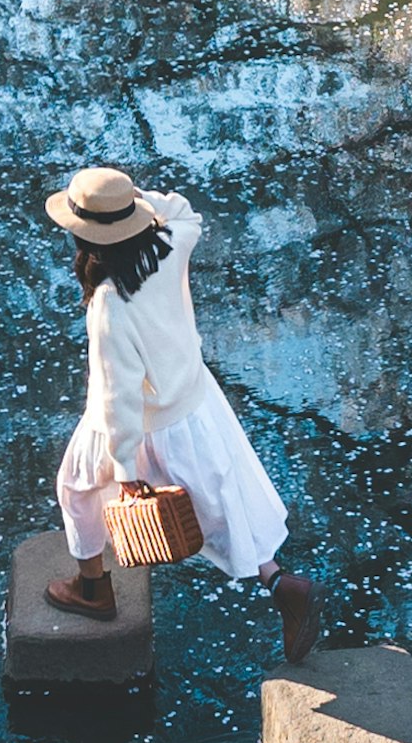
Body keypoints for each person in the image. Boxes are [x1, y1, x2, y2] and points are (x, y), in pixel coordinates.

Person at [41, 162, 321, 665]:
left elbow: (117, 398)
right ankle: (281, 583)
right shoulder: (167, 247)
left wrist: (125, 471)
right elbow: (185, 212)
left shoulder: (109, 304)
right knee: (226, 507)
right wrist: (132, 203)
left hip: (148, 424)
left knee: (75, 484)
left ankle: (93, 590)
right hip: (196, 404)